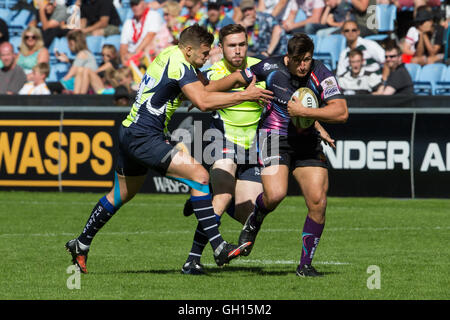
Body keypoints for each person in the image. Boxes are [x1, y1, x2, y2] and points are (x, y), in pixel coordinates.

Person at [64, 24, 273, 274]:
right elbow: (204, 100)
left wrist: (228, 82)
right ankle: (218, 247)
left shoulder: (168, 54)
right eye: (204, 53)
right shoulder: (180, 65)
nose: (207, 58)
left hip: (129, 131)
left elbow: (198, 86)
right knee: (200, 176)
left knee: (120, 194)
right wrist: (244, 95)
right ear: (188, 50)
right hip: (145, 137)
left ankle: (81, 243)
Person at [210, 33, 347, 277]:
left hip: (307, 143)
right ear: (288, 57)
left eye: (307, 59)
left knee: (318, 201)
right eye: (298, 60)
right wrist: (206, 93)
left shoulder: (321, 73)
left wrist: (306, 111)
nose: (303, 66)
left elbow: (341, 112)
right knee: (275, 194)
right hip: (274, 137)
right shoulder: (270, 66)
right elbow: (235, 79)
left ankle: (305, 265)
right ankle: (255, 220)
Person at [181, 23, 265, 275]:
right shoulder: (211, 73)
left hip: (256, 147)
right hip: (224, 140)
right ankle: (192, 260)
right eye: (231, 45)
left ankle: (201, 201)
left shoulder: (262, 67)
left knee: (247, 216)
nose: (238, 51)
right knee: (223, 196)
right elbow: (194, 94)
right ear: (221, 48)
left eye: (242, 45)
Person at [119, 0, 163, 66]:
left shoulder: (153, 15)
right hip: (131, 57)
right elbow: (123, 45)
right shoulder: (128, 22)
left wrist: (135, 54)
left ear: (144, 3)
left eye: (136, 4)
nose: (134, 7)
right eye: (132, 5)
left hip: (145, 54)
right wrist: (123, 61)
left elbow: (150, 35)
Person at [56, 29, 98, 93]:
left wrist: (56, 85)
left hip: (86, 87)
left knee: (52, 87)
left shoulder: (82, 54)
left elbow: (69, 76)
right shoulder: (86, 53)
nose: (68, 46)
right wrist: (67, 60)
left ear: (72, 43)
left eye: (68, 44)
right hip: (86, 86)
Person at [199, 0, 235, 64]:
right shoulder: (205, 23)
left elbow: (232, 44)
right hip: (209, 54)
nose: (212, 12)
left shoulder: (227, 22)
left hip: (226, 54)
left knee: (215, 59)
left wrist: (217, 49)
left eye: (215, 8)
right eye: (210, 8)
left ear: (220, 10)